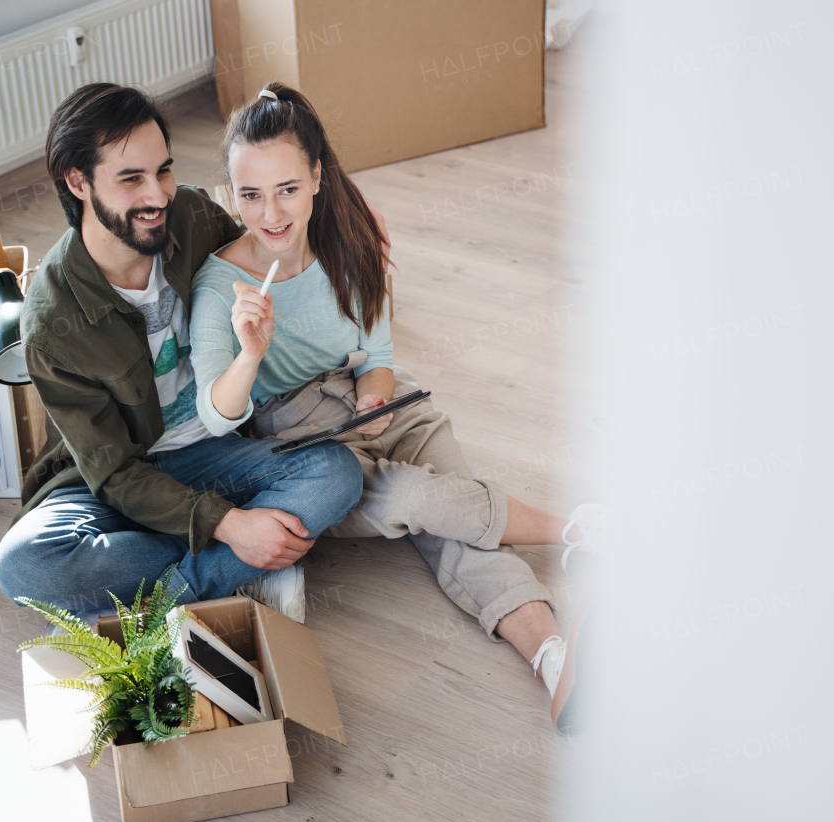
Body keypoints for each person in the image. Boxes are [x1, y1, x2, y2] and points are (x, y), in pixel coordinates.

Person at [188, 83, 607, 733]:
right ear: (230, 192)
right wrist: (249, 354)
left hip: (376, 402)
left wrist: (376, 394)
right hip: (306, 444)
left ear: (318, 177)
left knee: (453, 515)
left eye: (288, 189)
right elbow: (216, 417)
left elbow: (376, 350)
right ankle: (577, 529)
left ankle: (552, 661)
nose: (269, 214)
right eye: (249, 194)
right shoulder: (221, 286)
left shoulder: (351, 242)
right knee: (423, 501)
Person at [0, 83, 365, 623]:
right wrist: (232, 525)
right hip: (116, 477)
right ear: (78, 182)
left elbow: (265, 250)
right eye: (131, 179)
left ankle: (173, 593)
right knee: (25, 567)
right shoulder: (51, 323)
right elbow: (116, 473)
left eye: (163, 170)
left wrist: (347, 248)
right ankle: (247, 557)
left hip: (213, 449)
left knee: (336, 474)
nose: (158, 195)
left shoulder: (190, 215)